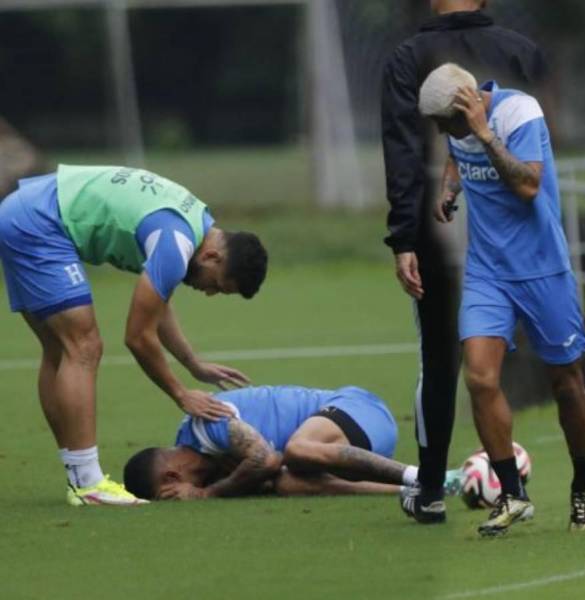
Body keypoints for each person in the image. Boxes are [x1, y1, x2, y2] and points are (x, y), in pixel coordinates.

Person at [0, 165, 268, 506]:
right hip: (38, 223)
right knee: (83, 346)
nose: (209, 292)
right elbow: (138, 337)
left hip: (23, 209)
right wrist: (180, 394)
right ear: (212, 256)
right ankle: (88, 484)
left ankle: (79, 479)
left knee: (58, 350)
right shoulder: (176, 245)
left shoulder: (197, 221)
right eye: (216, 285)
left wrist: (192, 363)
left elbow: (157, 306)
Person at [381, 0, 547, 525]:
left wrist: (404, 237)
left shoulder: (408, 58)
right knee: (562, 365)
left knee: (441, 360)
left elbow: (404, 151)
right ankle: (580, 487)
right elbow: (545, 143)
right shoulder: (523, 51)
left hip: (443, 233)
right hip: (532, 233)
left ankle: (430, 492)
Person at [416, 64, 585, 537]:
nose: (442, 132)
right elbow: (457, 150)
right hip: (487, 271)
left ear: (467, 106)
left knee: (567, 383)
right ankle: (514, 495)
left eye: (444, 122)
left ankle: (584, 483)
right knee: (479, 377)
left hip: (543, 268)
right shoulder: (459, 127)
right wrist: (449, 187)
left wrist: (482, 133)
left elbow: (527, 185)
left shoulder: (520, 112)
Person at [123, 384, 461, 500]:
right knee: (287, 484)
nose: (180, 499)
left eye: (171, 495)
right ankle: (414, 491)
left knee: (295, 451)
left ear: (171, 477)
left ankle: (431, 477)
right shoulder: (204, 458)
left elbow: (266, 460)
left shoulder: (203, 427)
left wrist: (207, 494)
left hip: (359, 409)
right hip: (346, 450)